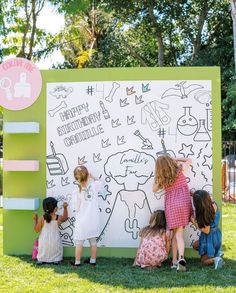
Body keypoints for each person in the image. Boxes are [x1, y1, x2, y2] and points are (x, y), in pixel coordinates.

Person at [153, 155, 192, 272]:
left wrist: (157, 176)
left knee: (176, 233)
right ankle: (178, 259)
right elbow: (189, 160)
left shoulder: (162, 178)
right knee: (178, 234)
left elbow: (154, 189)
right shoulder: (180, 169)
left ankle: (177, 260)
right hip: (184, 203)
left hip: (172, 205)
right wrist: (175, 158)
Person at [71, 165, 103, 267]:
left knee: (79, 242)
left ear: (76, 178)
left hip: (82, 221)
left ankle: (77, 262)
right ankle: (93, 261)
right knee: (93, 242)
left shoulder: (76, 192)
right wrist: (92, 176)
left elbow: (76, 208)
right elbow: (100, 182)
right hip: (93, 220)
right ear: (87, 175)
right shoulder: (94, 186)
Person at [191, 190, 223, 269]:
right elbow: (202, 197)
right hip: (216, 235)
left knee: (204, 261)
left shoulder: (205, 212)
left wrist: (193, 222)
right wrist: (193, 194)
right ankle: (217, 253)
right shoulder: (213, 204)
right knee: (195, 245)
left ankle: (216, 259)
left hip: (209, 237)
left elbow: (206, 230)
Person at [33, 197, 68, 265]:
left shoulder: (42, 218)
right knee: (55, 248)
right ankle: (56, 259)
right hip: (55, 240)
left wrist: (35, 220)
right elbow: (65, 218)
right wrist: (65, 208)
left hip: (44, 241)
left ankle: (42, 259)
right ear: (55, 209)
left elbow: (36, 230)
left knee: (43, 248)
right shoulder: (58, 217)